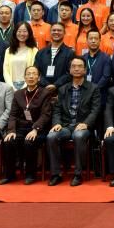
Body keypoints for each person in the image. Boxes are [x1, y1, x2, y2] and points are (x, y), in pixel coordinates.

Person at [47, 57, 102, 186]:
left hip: (83, 126)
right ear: (70, 70)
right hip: (65, 126)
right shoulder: (62, 89)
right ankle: (56, 174)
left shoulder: (93, 88)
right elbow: (57, 110)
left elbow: (95, 110)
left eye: (80, 66)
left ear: (85, 70)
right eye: (74, 66)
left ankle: (78, 174)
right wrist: (57, 123)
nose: (76, 69)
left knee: (79, 136)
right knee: (51, 136)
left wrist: (86, 123)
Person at [0, 66, 53, 185]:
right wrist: (11, 130)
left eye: (34, 74)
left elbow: (46, 115)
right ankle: (9, 175)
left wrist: (35, 129)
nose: (31, 76)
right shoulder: (18, 94)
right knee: (8, 141)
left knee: (29, 142)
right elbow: (13, 114)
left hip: (39, 128)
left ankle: (30, 175)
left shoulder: (45, 93)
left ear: (39, 78)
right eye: (28, 74)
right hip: (22, 127)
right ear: (24, 77)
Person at [34, 22, 76, 90]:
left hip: (62, 90)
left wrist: (56, 85)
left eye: (59, 30)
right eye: (54, 30)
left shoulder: (70, 53)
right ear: (50, 33)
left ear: (64, 33)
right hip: (43, 90)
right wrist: (46, 85)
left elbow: (70, 73)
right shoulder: (41, 53)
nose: (56, 32)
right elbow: (36, 71)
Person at [3, 22, 38, 90]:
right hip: (11, 86)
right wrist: (11, 87)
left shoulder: (34, 50)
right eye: (19, 31)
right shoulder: (8, 50)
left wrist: (25, 87)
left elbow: (34, 70)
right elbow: (5, 70)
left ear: (29, 33)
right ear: (15, 33)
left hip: (28, 85)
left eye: (25, 31)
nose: (22, 34)